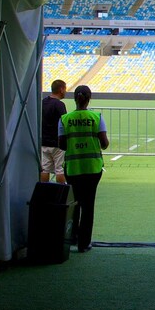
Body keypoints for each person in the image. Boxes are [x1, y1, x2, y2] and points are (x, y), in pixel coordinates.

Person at [59, 85, 109, 253]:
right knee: (88, 206)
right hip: (92, 168)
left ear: (74, 98)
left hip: (73, 169)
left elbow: (62, 144)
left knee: (75, 205)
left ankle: (70, 238)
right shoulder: (96, 117)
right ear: (89, 98)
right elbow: (104, 143)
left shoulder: (65, 119)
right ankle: (84, 243)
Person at [40, 79, 68, 183]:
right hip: (57, 143)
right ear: (61, 89)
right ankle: (61, 194)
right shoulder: (60, 105)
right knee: (60, 170)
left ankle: (43, 193)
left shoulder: (43, 102)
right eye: (65, 89)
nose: (65, 91)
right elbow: (64, 122)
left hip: (44, 142)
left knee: (45, 169)